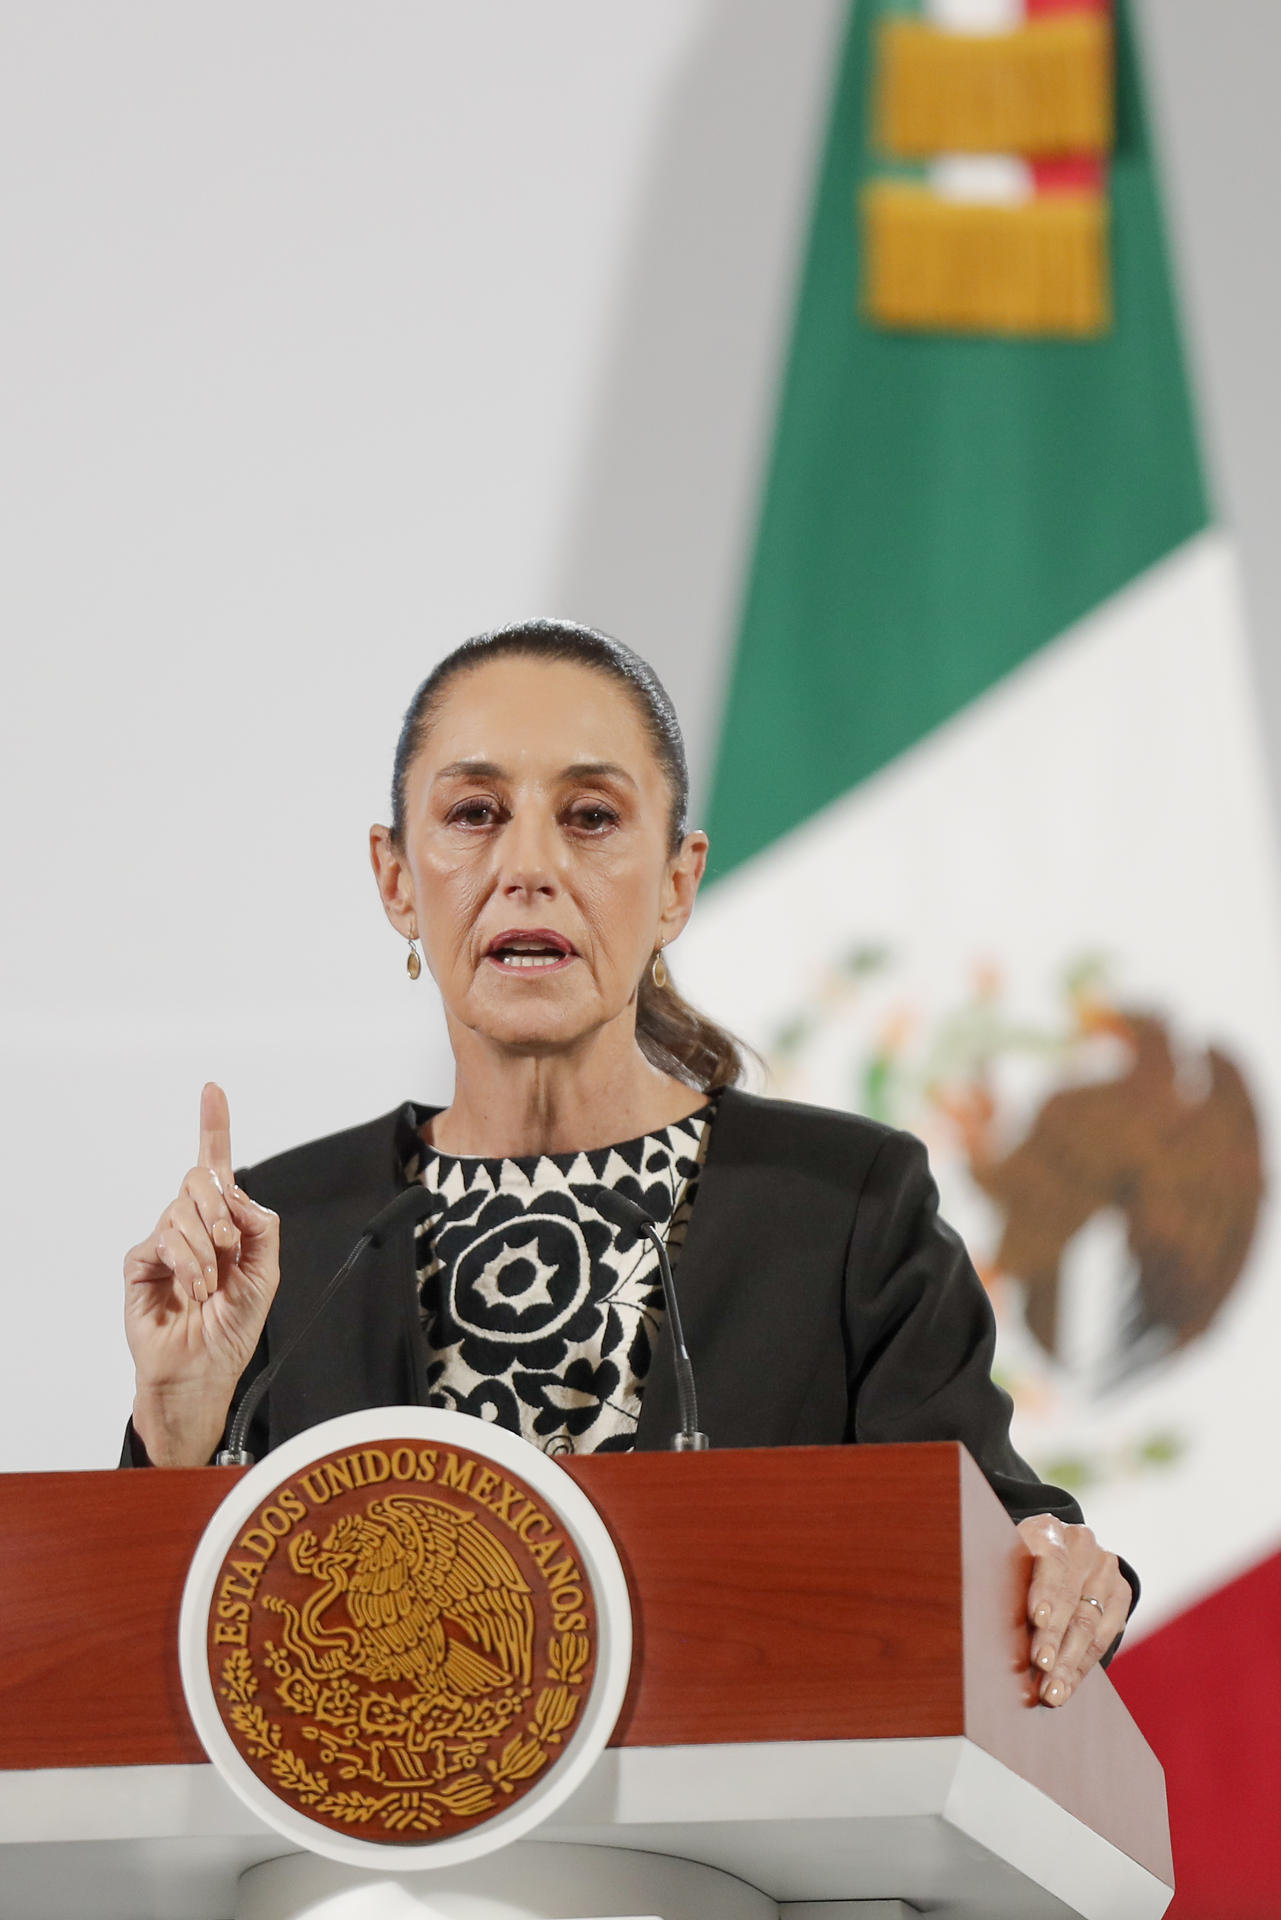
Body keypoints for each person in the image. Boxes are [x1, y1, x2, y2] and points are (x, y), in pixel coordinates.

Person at [122, 618, 1134, 1709]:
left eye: (591, 818)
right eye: (474, 815)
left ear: (675, 882)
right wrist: (176, 1425)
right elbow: (145, 1670)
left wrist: (1065, 1564)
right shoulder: (286, 1236)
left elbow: (986, 1537)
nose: (528, 868)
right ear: (397, 878)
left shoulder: (842, 1211)